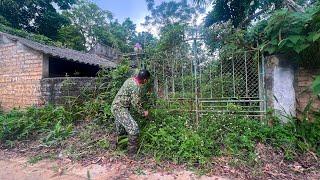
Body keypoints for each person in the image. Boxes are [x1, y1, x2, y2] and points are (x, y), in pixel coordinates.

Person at [111, 69, 150, 156]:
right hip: (119, 108)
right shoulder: (136, 86)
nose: (147, 82)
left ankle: (116, 147)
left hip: (117, 106)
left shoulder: (130, 80)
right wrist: (144, 113)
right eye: (147, 80)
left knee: (121, 130)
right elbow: (135, 103)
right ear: (145, 80)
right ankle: (132, 154)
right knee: (134, 129)